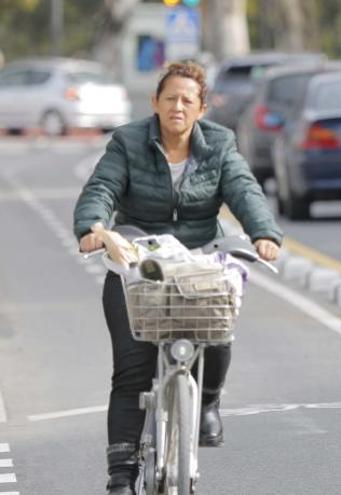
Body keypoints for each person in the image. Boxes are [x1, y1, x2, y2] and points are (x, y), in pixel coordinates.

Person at [73, 61, 282, 495]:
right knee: (131, 372)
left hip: (198, 261)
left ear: (202, 108)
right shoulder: (128, 142)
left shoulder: (221, 145)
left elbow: (244, 189)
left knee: (219, 329)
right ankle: (121, 477)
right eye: (170, 98)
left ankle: (206, 402)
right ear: (155, 103)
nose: (178, 106)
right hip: (137, 259)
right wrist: (94, 228)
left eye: (188, 99)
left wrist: (264, 234)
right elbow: (102, 188)